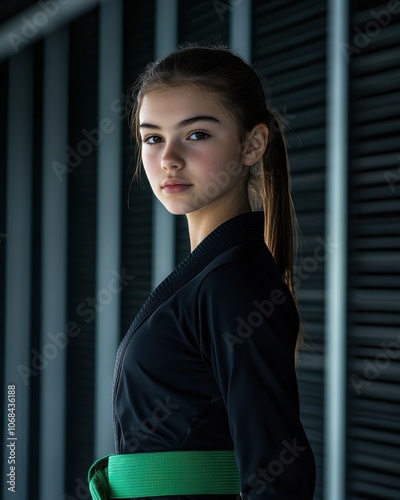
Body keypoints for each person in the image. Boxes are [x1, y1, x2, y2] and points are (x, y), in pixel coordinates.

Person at [100, 44, 316, 499]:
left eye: (196, 134)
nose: (169, 159)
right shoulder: (211, 275)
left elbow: (279, 477)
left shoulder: (232, 282)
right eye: (152, 138)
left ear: (253, 143)